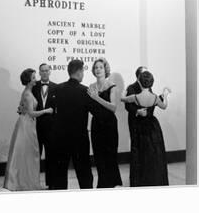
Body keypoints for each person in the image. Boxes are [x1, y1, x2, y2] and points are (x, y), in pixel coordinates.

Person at [51, 60, 98, 190]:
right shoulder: (85, 91)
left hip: (60, 137)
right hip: (79, 137)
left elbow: (52, 112)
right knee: (84, 173)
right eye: (83, 71)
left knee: (60, 172)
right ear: (79, 72)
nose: (83, 73)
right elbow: (95, 111)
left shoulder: (57, 89)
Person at [4, 68, 54, 191]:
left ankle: (25, 181)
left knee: (27, 154)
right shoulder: (27, 93)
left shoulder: (27, 92)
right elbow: (31, 113)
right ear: (28, 81)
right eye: (33, 78)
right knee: (28, 154)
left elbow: (24, 108)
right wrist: (46, 110)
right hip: (26, 125)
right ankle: (25, 183)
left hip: (27, 124)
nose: (35, 79)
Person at [121, 71, 171, 186]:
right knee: (153, 155)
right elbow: (164, 106)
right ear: (152, 83)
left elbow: (123, 99)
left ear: (139, 81)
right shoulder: (155, 98)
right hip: (153, 128)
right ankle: (154, 180)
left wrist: (123, 93)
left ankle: (141, 181)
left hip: (139, 127)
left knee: (140, 155)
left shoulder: (135, 97)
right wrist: (165, 95)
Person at [87, 58, 122, 188]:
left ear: (105, 69)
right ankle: (103, 185)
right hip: (97, 125)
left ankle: (112, 184)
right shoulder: (91, 87)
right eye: (96, 67)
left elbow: (113, 107)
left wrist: (96, 98)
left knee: (110, 156)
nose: (98, 70)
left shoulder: (112, 86)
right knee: (98, 156)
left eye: (100, 67)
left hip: (109, 125)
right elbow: (89, 107)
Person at [31, 63, 57, 188]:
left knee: (51, 156)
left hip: (51, 128)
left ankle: (51, 183)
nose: (45, 72)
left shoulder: (56, 87)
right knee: (35, 156)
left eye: (47, 70)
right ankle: (33, 182)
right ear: (39, 72)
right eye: (42, 71)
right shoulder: (33, 87)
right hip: (35, 127)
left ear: (50, 72)